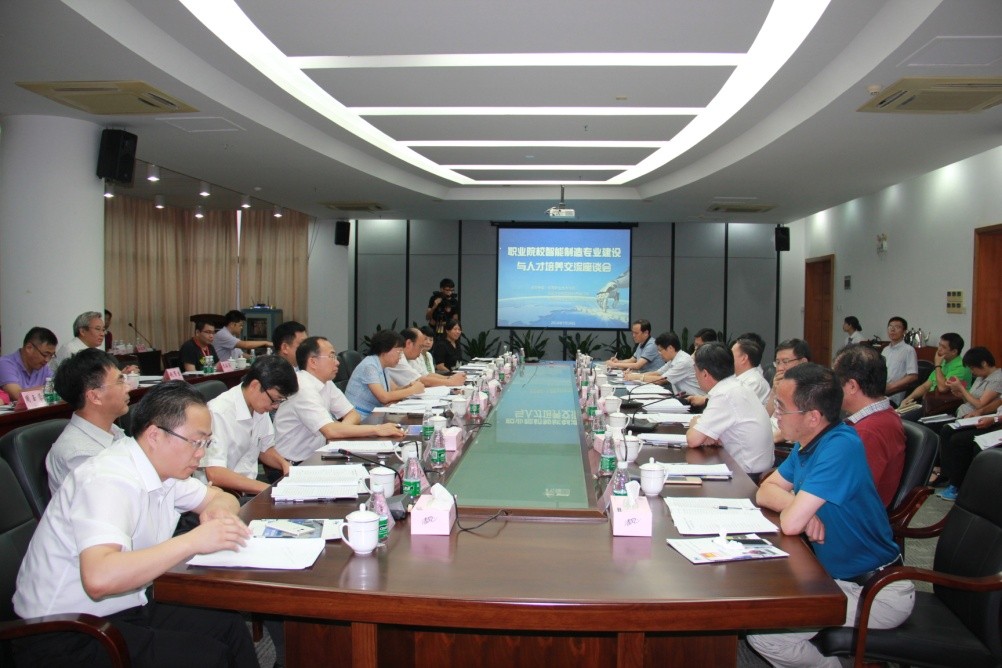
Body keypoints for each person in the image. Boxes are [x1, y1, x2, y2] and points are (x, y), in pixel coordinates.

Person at [13, 381, 258, 667]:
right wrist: (193, 541)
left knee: (227, 625)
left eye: (206, 443)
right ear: (155, 435)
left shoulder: (163, 469)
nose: (201, 453)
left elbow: (220, 497)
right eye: (196, 442)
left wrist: (218, 512)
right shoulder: (108, 479)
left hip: (126, 604)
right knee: (206, 657)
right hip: (64, 631)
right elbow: (99, 578)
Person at [747, 364, 914, 668]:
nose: (776, 415)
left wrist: (797, 513)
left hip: (875, 592)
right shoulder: (809, 442)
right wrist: (797, 507)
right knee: (760, 607)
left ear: (813, 416)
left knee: (766, 634)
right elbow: (765, 490)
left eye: (782, 408)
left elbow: (791, 523)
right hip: (835, 578)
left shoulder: (841, 446)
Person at [273, 336, 406, 463]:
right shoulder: (302, 387)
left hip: (317, 455)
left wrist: (341, 430)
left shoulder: (326, 382)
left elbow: (353, 414)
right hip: (292, 464)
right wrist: (377, 429)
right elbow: (330, 431)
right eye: (331, 356)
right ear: (313, 362)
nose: (337, 362)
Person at [201, 355, 299, 496]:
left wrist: (284, 464)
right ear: (255, 386)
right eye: (275, 400)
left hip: (248, 487)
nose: (276, 406)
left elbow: (265, 448)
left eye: (280, 401)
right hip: (221, 494)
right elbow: (215, 473)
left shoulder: (259, 405)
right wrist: (269, 489)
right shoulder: (218, 413)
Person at [46, 348, 131, 495]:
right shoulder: (79, 454)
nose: (128, 387)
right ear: (95, 396)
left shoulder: (112, 429)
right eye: (120, 381)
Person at [685, 342, 773, 478]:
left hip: (745, 475)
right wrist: (709, 436)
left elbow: (693, 440)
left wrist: (694, 423)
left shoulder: (724, 394)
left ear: (705, 374)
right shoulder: (736, 386)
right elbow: (710, 437)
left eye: (695, 370)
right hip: (750, 467)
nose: (695, 375)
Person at [832, 344, 905, 507]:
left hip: (852, 516)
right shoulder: (884, 415)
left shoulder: (868, 431)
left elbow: (850, 494)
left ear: (852, 386)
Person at [936, 346, 1002, 501]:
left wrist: (962, 389)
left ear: (984, 363)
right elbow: (993, 403)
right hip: (983, 416)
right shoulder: (980, 378)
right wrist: (960, 393)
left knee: (961, 440)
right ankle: (950, 478)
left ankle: (962, 486)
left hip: (992, 420)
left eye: (973, 368)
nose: (972, 372)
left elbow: (981, 404)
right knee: (947, 430)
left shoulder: (998, 378)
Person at [345, 329, 425, 418]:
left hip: (374, 415)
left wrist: (409, 386)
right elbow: (384, 397)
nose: (400, 356)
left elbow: (394, 390)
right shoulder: (369, 366)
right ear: (385, 349)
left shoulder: (383, 366)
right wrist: (413, 390)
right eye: (399, 352)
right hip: (360, 417)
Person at [898, 332, 972, 418]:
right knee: (898, 415)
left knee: (905, 419)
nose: (939, 349)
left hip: (947, 406)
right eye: (939, 345)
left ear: (954, 351)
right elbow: (925, 386)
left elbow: (942, 388)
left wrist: (937, 365)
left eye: (943, 347)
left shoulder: (961, 367)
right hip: (932, 403)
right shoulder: (944, 362)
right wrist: (908, 399)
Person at [624, 331, 700, 396]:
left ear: (670, 348)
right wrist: (633, 375)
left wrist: (636, 377)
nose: (659, 353)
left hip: (694, 401)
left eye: (660, 350)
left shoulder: (683, 361)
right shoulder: (674, 359)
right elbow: (657, 373)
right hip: (683, 397)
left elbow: (661, 380)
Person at [386, 327, 465, 388]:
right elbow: (421, 380)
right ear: (409, 343)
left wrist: (450, 378)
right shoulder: (398, 358)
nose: (421, 351)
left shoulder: (410, 357)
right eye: (420, 346)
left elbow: (426, 375)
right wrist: (451, 382)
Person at [0, 326, 57, 402]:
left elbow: (58, 387)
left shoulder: (44, 367)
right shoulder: (5, 363)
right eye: (45, 354)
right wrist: (48, 389)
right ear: (29, 348)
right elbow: (17, 395)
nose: (47, 360)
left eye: (51, 356)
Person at [766, 338, 812, 416]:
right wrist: (774, 391)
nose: (780, 368)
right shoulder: (778, 383)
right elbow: (766, 417)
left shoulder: (813, 389)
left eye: (785, 362)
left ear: (803, 362)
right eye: (778, 362)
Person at [881, 316, 918, 406]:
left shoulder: (908, 350)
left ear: (904, 331)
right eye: (890, 326)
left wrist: (890, 387)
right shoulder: (885, 350)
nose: (892, 330)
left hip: (893, 395)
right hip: (880, 392)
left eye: (897, 327)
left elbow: (913, 376)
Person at [732, 337, 770, 404]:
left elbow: (734, 405)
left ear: (744, 358)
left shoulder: (755, 382)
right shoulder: (734, 377)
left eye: (731, 354)